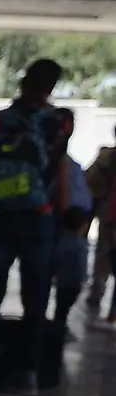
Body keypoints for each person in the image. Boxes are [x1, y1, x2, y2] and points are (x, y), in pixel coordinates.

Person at [0, 59, 72, 393]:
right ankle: (27, 372)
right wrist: (61, 217)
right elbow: (59, 171)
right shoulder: (59, 122)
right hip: (39, 216)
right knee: (35, 297)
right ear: (51, 87)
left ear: (22, 83)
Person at [53, 107, 93, 334]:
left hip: (69, 227)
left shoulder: (72, 165)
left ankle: (58, 320)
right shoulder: (60, 164)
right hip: (60, 227)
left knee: (71, 281)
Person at [84, 127, 116, 331]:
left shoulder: (106, 157)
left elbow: (89, 180)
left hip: (108, 214)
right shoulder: (106, 157)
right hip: (109, 213)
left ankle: (97, 294)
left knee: (103, 257)